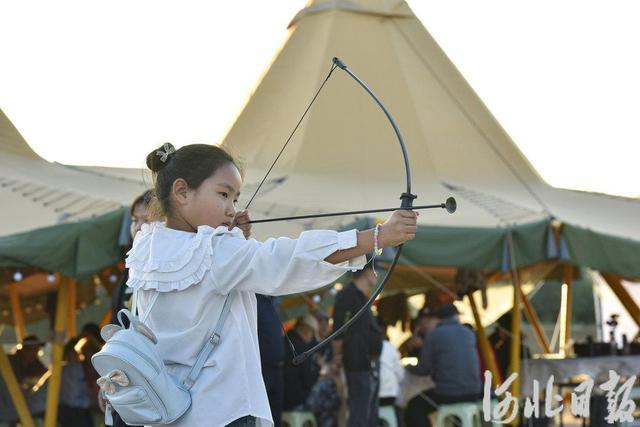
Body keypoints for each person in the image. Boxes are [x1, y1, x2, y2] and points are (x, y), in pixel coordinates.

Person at [124, 143, 418, 426]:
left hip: (167, 409)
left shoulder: (146, 248)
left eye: (235, 199)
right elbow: (285, 258)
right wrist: (377, 237)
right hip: (222, 409)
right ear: (182, 191)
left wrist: (234, 241)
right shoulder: (216, 250)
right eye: (223, 194)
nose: (231, 208)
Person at [405, 303, 483, 427]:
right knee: (457, 409)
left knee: (415, 406)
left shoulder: (433, 335)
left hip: (448, 394)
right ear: (456, 317)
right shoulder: (469, 333)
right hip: (475, 391)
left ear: (438, 319)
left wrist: (407, 367)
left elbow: (424, 370)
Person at [332, 264, 384, 427]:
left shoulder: (362, 296)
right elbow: (339, 331)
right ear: (367, 272)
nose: (377, 275)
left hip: (368, 363)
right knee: (360, 414)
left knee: (369, 414)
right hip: (357, 363)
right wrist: (337, 357)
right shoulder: (348, 295)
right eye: (375, 271)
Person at [283, 315, 321, 410]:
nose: (312, 338)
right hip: (296, 400)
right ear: (306, 330)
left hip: (281, 398)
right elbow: (307, 381)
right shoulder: (303, 350)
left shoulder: (284, 340)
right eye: (312, 334)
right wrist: (318, 368)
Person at [257, 294, 285, 426]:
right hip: (263, 368)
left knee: (275, 415)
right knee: (263, 416)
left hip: (276, 368)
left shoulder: (273, 303)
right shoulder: (256, 301)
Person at [59, 338, 94, 427]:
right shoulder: (75, 368)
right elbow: (73, 397)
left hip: (68, 411)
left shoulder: (64, 369)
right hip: (76, 412)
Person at [377, 319, 404, 425]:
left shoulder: (363, 348)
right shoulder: (390, 347)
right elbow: (401, 376)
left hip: (372, 398)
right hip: (389, 397)